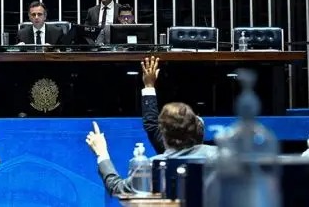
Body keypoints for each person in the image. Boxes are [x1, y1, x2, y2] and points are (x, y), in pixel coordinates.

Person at [85, 56, 216, 195]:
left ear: (164, 137)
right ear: (198, 132)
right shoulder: (223, 158)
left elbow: (118, 189)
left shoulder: (153, 168)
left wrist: (102, 153)